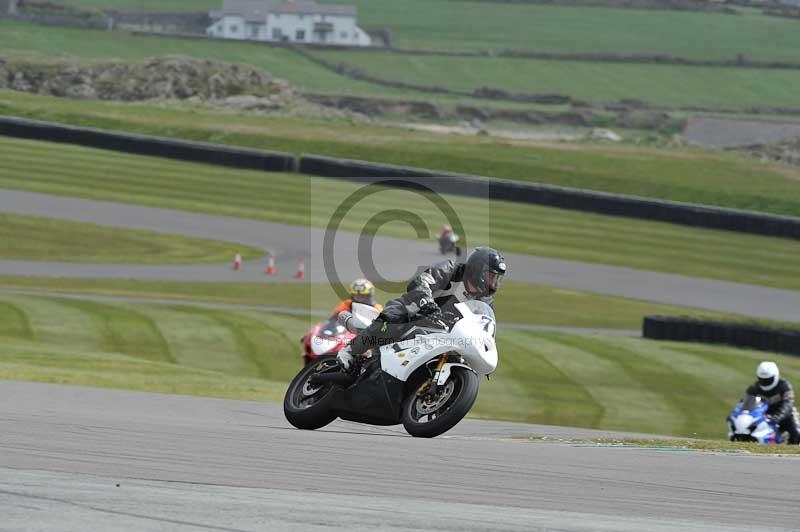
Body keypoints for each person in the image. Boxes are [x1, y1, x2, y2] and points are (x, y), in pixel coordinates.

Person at [338, 246, 506, 370]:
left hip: (441, 331)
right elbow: (420, 282)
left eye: (497, 279)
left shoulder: (485, 300)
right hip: (413, 310)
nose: (493, 283)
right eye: (491, 276)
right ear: (478, 269)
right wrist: (427, 304)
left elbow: (485, 325)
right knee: (392, 321)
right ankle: (350, 351)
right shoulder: (450, 270)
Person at [746, 361, 800, 444]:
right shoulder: (754, 388)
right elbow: (747, 407)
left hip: (784, 416)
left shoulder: (785, 386)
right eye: (762, 380)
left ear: (775, 376)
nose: (764, 382)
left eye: (768, 380)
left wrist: (777, 417)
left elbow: (787, 405)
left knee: (796, 434)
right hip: (762, 416)